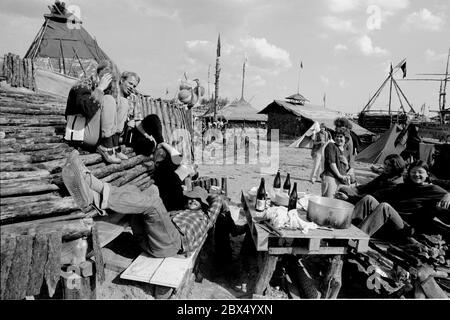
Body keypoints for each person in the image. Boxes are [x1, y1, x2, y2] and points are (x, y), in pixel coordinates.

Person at [62, 150, 226, 257]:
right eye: (191, 197)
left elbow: (218, 200)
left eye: (196, 201)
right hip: (149, 240)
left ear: (204, 206)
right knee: (137, 192)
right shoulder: (180, 210)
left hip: (171, 244)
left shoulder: (206, 217)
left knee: (153, 203)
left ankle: (94, 196)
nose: (191, 200)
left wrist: (207, 195)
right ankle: (93, 190)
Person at [352, 160, 449, 238]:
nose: (416, 175)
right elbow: (379, 194)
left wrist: (448, 195)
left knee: (385, 207)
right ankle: (348, 229)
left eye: (420, 172)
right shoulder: (404, 186)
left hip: (405, 227)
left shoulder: (433, 189)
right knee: (369, 199)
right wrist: (350, 197)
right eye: (413, 172)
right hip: (389, 221)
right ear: (409, 173)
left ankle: (357, 238)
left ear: (427, 174)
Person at [65, 60, 135, 164]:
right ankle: (106, 147)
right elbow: (86, 110)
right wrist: (100, 88)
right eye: (107, 79)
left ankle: (114, 146)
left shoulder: (108, 89)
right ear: (98, 75)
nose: (109, 84)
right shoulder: (81, 86)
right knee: (108, 100)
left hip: (94, 135)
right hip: (79, 134)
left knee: (123, 102)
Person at [335, 154, 406, 204]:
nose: (386, 167)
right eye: (385, 164)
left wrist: (349, 198)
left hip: (374, 203)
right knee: (344, 189)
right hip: (367, 196)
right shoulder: (386, 175)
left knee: (345, 192)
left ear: (396, 167)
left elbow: (375, 197)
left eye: (389, 165)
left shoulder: (394, 183)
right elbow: (369, 185)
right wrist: (354, 188)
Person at [321, 127, 352, 197]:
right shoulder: (331, 146)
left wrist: (346, 163)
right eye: (337, 136)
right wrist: (339, 175)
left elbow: (347, 168)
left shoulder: (346, 152)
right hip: (331, 176)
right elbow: (332, 163)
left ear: (346, 139)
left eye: (341, 137)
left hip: (342, 180)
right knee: (329, 200)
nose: (338, 138)